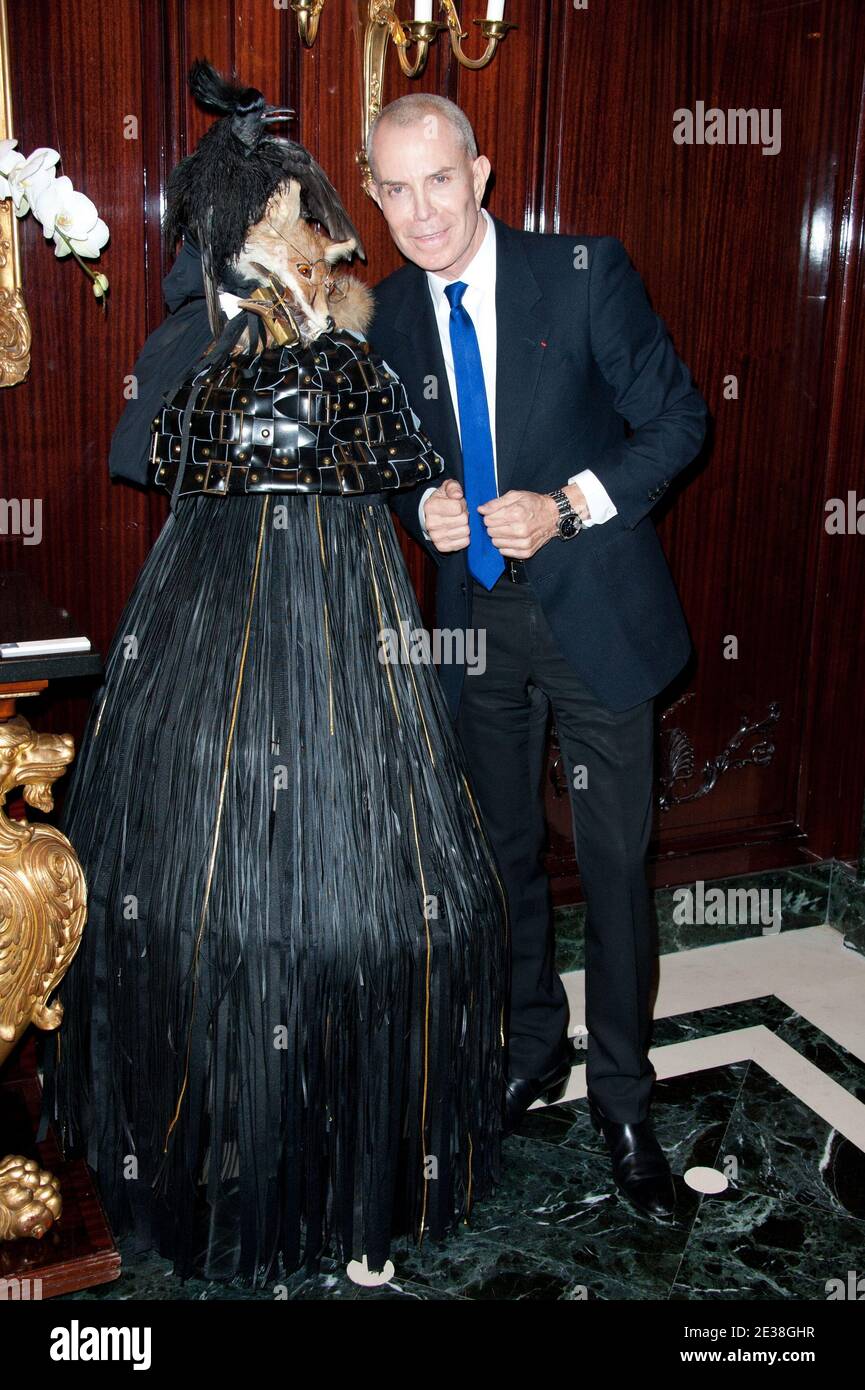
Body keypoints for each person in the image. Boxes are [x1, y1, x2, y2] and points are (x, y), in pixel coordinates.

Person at [40, 63, 507, 1287]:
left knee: (358, 889)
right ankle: (224, 1130)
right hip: (213, 642)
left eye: (303, 220)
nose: (305, 242)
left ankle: (343, 1145)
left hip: (347, 629)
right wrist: (243, 338)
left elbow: (406, 454)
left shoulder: (354, 329)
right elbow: (140, 451)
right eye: (278, 223)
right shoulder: (196, 328)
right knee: (207, 887)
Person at [366, 94, 708, 1221]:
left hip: (594, 615)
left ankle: (621, 1096)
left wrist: (568, 502)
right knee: (500, 853)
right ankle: (529, 1043)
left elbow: (677, 421)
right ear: (374, 194)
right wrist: (422, 500)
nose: (422, 212)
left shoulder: (582, 270)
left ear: (483, 171)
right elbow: (388, 459)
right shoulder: (384, 315)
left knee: (610, 871)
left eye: (440, 181)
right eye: (395, 189)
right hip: (472, 622)